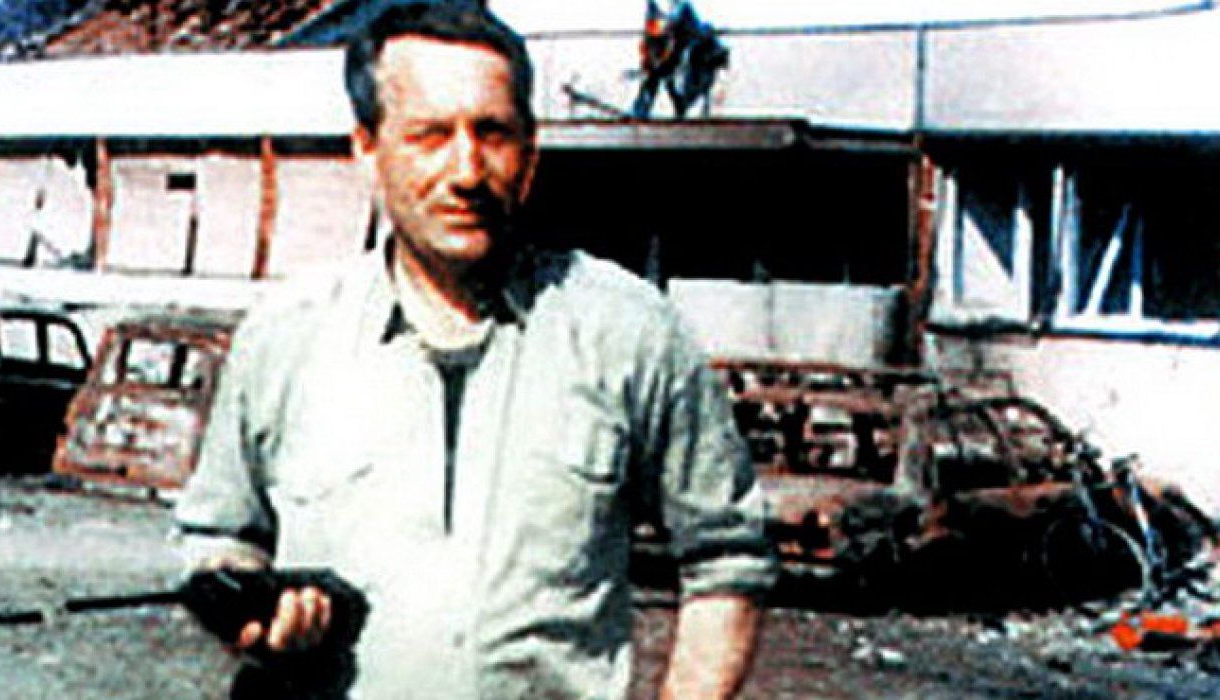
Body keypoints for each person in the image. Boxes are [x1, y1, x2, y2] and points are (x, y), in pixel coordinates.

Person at [175, 3, 777, 698]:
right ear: (366, 149)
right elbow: (218, 536)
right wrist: (247, 607)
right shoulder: (284, 336)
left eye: (492, 133)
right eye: (429, 135)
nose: (466, 170)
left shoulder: (630, 333)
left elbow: (727, 559)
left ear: (531, 150)